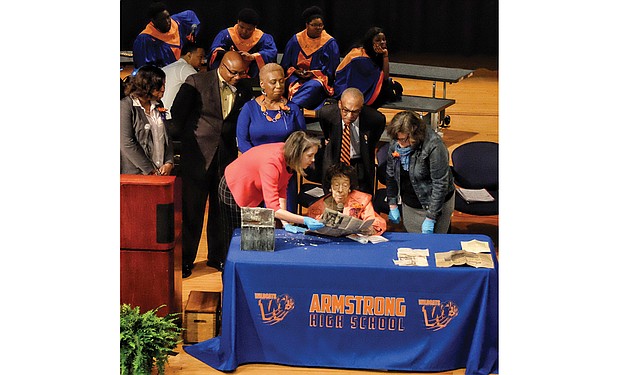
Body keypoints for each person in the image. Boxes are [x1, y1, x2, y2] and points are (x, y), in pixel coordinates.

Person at [169, 51, 254, 277]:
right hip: (197, 156)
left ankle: (217, 257)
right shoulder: (197, 82)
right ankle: (185, 260)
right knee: (191, 211)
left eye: (241, 73)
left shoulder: (244, 89)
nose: (237, 77)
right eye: (233, 73)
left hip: (225, 157)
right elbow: (178, 116)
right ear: (222, 66)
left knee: (221, 211)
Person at [219, 131, 325, 257]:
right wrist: (304, 220)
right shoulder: (272, 163)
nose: (313, 160)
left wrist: (286, 223)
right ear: (297, 153)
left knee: (254, 239)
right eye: (310, 155)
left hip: (253, 190)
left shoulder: (289, 158)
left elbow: (281, 190)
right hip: (234, 186)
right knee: (236, 237)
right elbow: (273, 208)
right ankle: (229, 266)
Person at [237, 63, 306, 213]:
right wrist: (262, 164)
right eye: (273, 82)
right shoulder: (249, 108)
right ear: (262, 84)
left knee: (285, 219)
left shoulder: (293, 109)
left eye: (281, 81)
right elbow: (242, 142)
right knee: (259, 221)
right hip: (257, 174)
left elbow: (301, 139)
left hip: (285, 173)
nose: (279, 85)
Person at [385, 110, 455, 234]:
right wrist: (393, 203)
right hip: (410, 204)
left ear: (414, 133)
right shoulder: (397, 141)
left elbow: (440, 184)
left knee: (434, 246)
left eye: (403, 140)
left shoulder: (434, 146)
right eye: (397, 139)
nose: (399, 144)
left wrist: (431, 217)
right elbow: (391, 174)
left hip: (434, 206)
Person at [316, 87, 385, 195]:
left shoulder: (375, 119)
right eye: (346, 110)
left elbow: (373, 140)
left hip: (359, 163)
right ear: (340, 104)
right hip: (335, 159)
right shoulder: (327, 113)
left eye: (355, 112)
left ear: (361, 109)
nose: (349, 116)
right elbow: (327, 132)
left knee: (360, 199)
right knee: (332, 196)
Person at [280, 6, 340, 110]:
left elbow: (332, 70)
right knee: (288, 83)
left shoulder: (329, 43)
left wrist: (313, 73)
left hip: (317, 78)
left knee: (313, 86)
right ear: (307, 25)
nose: (318, 28)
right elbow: (285, 65)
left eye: (321, 25)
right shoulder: (296, 40)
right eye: (315, 25)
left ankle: (291, 107)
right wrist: (295, 71)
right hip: (296, 76)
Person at [121, 65, 174, 176]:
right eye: (160, 85)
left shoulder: (159, 104)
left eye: (164, 85)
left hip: (160, 172)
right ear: (146, 85)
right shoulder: (126, 106)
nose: (163, 89)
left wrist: (169, 162)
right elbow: (126, 143)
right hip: (136, 174)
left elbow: (166, 136)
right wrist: (150, 170)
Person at [307, 163, 386, 235]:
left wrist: (370, 229)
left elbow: (374, 221)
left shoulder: (362, 200)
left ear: (349, 187)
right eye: (336, 185)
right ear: (330, 186)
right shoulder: (316, 208)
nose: (340, 190)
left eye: (345, 185)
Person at [334, 26, 402, 108]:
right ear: (370, 42)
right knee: (386, 92)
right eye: (378, 40)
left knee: (397, 87)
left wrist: (385, 56)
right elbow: (358, 81)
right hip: (348, 86)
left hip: (370, 81)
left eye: (383, 39)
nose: (382, 42)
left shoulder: (377, 53)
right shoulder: (359, 57)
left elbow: (385, 77)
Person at [208, 8, 277, 79]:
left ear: (255, 27)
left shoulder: (263, 38)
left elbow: (271, 52)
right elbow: (214, 51)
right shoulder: (226, 35)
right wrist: (228, 54)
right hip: (229, 74)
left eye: (249, 29)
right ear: (238, 22)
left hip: (252, 76)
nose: (244, 31)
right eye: (241, 27)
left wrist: (253, 57)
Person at [132, 2, 200, 69]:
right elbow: (142, 67)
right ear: (153, 21)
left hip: (182, 70)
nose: (167, 21)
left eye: (168, 17)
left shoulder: (177, 22)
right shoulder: (145, 39)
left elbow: (191, 15)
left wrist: (193, 33)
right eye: (162, 20)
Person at [161, 41, 205, 112]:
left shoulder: (167, 68)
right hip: (172, 116)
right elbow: (203, 86)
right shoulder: (185, 67)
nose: (203, 61)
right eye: (200, 57)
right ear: (189, 55)